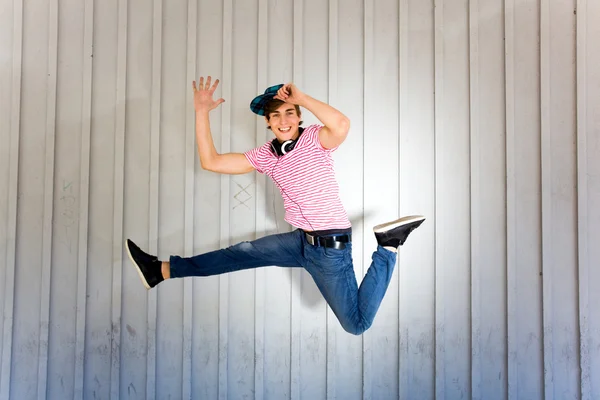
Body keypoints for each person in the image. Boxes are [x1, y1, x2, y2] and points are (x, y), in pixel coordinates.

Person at [126, 76, 425, 335]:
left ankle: (387, 246)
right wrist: (201, 112)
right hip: (299, 242)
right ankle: (160, 270)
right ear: (267, 122)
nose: (283, 120)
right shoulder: (265, 155)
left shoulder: (314, 139)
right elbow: (211, 161)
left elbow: (342, 124)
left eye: (290, 113)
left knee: (356, 325)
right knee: (237, 254)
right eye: (276, 115)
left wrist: (303, 97)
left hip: (329, 249)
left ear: (299, 117)